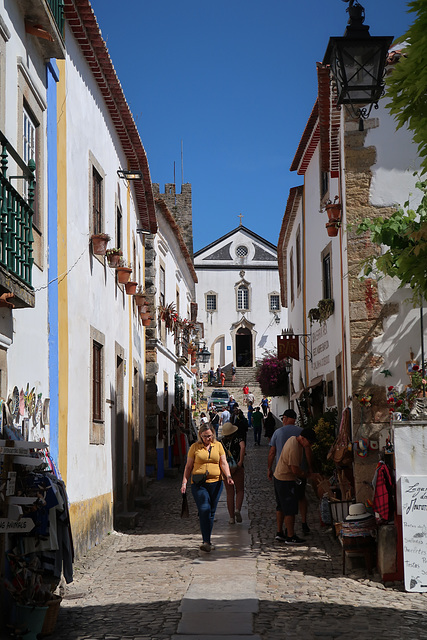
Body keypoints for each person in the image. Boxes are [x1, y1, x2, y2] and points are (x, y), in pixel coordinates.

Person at [181, 423, 234, 552]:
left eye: (209, 436)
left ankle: (208, 541)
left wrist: (228, 475)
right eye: (204, 436)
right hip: (199, 484)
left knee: (211, 512)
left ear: (213, 435)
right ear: (200, 435)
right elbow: (188, 466)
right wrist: (184, 482)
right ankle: (206, 541)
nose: (207, 439)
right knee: (204, 509)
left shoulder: (219, 446)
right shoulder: (195, 447)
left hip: (216, 483)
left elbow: (223, 462)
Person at [267, 409, 313, 540]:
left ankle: (279, 531)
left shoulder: (278, 432)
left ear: (286, 418)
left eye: (283, 418)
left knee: (281, 505)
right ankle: (302, 524)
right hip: (295, 473)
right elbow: (308, 452)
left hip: (280, 472)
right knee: (299, 499)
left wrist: (269, 468)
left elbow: (272, 452)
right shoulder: (301, 432)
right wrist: (310, 469)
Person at [273, 428, 319, 545]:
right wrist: (309, 475)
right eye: (310, 442)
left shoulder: (294, 440)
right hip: (285, 480)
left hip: (279, 477)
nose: (310, 445)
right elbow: (295, 470)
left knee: (281, 507)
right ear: (303, 438)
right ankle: (290, 536)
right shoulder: (294, 447)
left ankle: (280, 533)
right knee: (290, 509)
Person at [220, 422, 246, 524]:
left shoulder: (221, 442)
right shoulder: (238, 438)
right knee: (240, 490)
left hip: (226, 469)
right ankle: (237, 509)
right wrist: (240, 461)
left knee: (229, 493)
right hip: (238, 467)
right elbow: (243, 447)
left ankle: (231, 518)